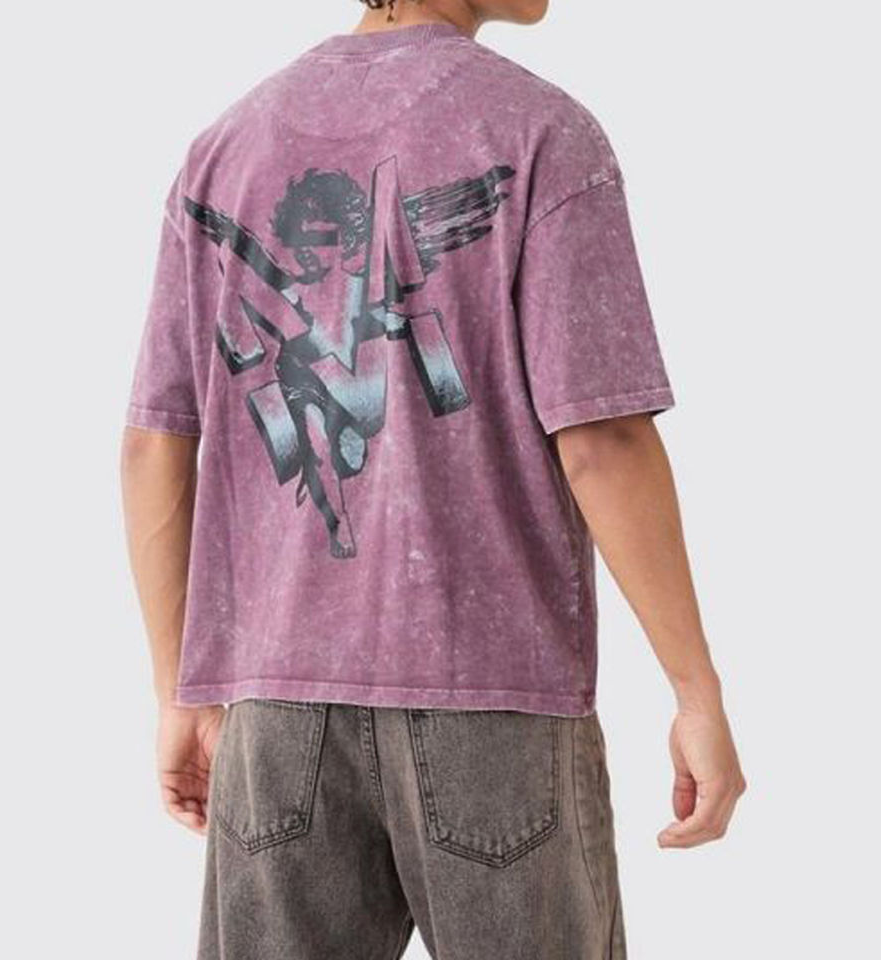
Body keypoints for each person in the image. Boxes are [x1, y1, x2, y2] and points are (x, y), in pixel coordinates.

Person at [121, 1, 746, 957]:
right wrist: (695, 691)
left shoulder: (226, 147)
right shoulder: (539, 132)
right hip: (492, 705)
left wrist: (180, 690)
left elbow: (155, 442)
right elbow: (603, 438)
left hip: (275, 714)